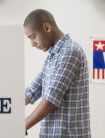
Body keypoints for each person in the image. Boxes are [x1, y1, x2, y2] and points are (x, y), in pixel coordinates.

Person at [24, 9, 91, 138]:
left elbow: (50, 100)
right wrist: (5, 106)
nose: (32, 44)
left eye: (33, 37)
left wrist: (22, 125)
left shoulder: (70, 51)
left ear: (47, 27)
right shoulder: (52, 56)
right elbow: (33, 90)